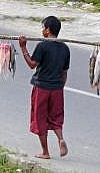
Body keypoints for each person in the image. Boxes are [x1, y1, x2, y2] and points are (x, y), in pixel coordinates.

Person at [19, 16, 70, 159]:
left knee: (40, 118)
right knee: (56, 117)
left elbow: (32, 64)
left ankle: (45, 152)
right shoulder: (65, 48)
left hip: (42, 87)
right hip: (57, 89)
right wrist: (60, 87)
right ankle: (60, 139)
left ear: (48, 30)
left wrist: (23, 47)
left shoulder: (42, 46)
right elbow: (64, 72)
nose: (42, 31)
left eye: (43, 28)